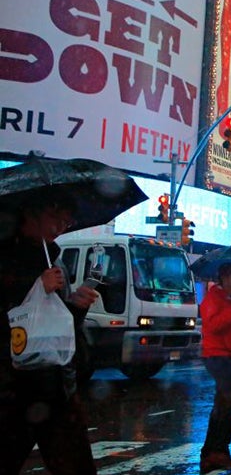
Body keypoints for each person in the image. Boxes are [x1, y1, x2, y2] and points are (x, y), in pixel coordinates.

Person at [0, 193, 100, 475]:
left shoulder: (55, 260)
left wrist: (75, 306)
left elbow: (57, 324)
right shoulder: (6, 258)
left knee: (76, 466)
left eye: (66, 221)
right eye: (55, 218)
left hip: (57, 387)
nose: (60, 227)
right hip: (13, 389)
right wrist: (32, 290)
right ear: (32, 214)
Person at [199, 262, 231, 473]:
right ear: (223, 278)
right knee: (228, 401)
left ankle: (215, 450)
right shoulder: (214, 298)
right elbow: (214, 325)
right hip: (218, 356)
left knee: (228, 403)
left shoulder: (229, 300)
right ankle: (215, 451)